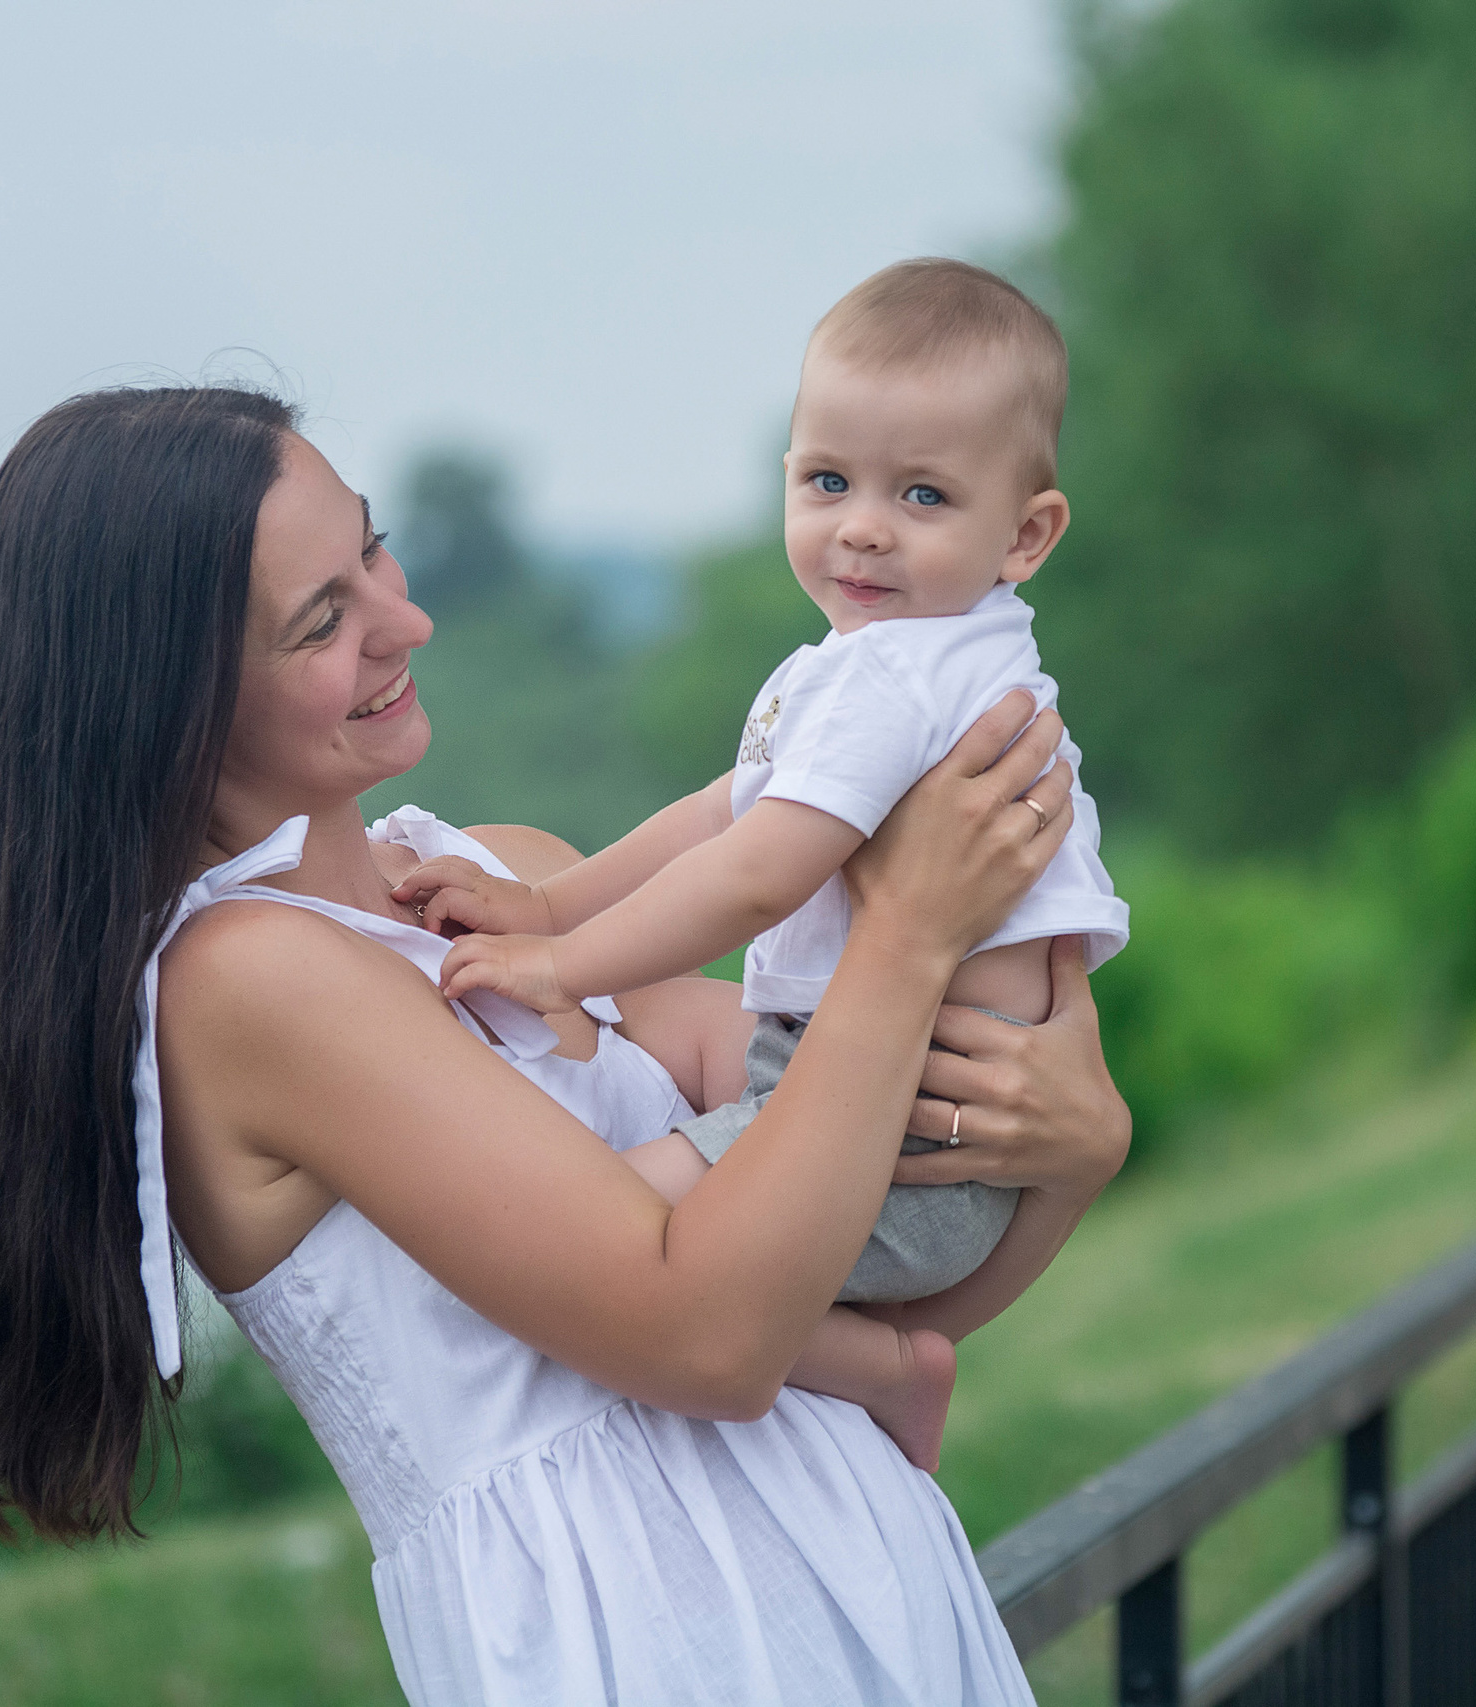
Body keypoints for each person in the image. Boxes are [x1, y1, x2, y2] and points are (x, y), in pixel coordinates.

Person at [0, 383, 1132, 1706]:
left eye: (372, 549)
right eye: (322, 620)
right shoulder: (244, 979)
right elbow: (715, 1340)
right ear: (169, 702)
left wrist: (1074, 1157)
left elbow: (873, 1243)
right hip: (635, 1628)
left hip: (865, 1565)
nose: (405, 621)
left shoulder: (513, 884)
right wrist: (908, 937)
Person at [407, 265, 1128, 1451]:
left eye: (923, 495)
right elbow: (720, 813)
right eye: (828, 480)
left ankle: (885, 1370)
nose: (862, 525)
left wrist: (560, 962)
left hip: (910, 1146)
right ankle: (884, 1367)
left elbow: (754, 873)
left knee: (592, 1244)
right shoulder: (903, 658)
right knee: (608, 1253)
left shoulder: (897, 675)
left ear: (1025, 533)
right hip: (910, 1119)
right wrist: (542, 904)